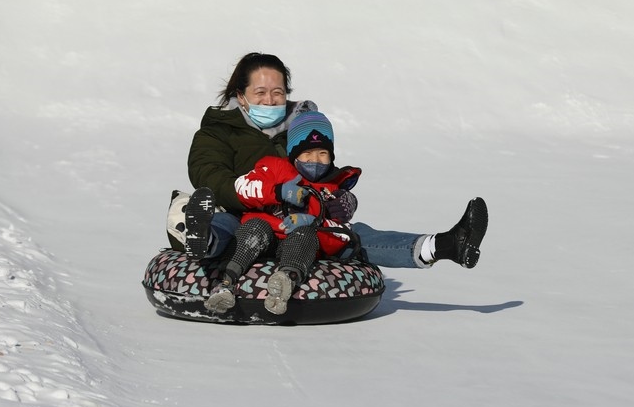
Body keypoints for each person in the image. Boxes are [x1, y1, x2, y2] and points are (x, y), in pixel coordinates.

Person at [184, 52, 487, 270]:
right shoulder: (218, 132)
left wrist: (339, 198)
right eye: (260, 92)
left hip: (299, 219)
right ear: (241, 96)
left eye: (277, 92)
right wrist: (263, 193)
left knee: (354, 235)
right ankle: (204, 241)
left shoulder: (302, 128)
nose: (270, 100)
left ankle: (445, 245)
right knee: (224, 224)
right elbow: (208, 175)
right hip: (243, 215)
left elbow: (322, 170)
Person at [203, 110, 360, 315]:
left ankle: (285, 282)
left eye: (323, 154)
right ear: (294, 154)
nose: (315, 160)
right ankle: (226, 281)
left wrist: (313, 222)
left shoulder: (330, 190)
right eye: (307, 154)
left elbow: (340, 235)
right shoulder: (274, 168)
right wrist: (277, 191)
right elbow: (243, 187)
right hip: (264, 233)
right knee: (254, 227)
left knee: (304, 235)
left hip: (295, 242)